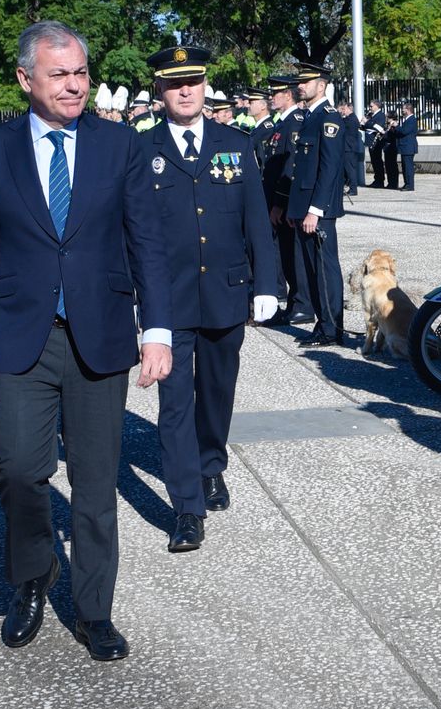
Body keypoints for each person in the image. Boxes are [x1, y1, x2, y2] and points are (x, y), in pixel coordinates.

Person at [0, 21, 173, 661]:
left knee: (96, 482)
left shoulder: (120, 145)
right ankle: (33, 574)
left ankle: (94, 610)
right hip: (19, 338)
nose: (75, 85)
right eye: (60, 74)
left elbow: (147, 242)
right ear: (26, 79)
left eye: (81, 72)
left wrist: (157, 330)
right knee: (19, 468)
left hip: (100, 336)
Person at [143, 45, 278, 551]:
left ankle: (210, 463)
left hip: (226, 291)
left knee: (217, 391)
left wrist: (268, 284)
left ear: (204, 86)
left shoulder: (235, 144)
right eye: (175, 83)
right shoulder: (142, 148)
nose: (185, 91)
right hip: (169, 300)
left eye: (193, 82)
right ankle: (186, 507)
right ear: (160, 89)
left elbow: (255, 220)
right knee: (175, 403)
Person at [287, 62, 346, 347]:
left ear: (321, 86)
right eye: (299, 82)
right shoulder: (310, 117)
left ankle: (331, 329)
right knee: (312, 269)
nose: (300, 86)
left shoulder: (328, 118)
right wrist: (295, 209)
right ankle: (322, 324)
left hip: (318, 211)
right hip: (305, 207)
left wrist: (315, 210)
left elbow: (329, 168)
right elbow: (302, 169)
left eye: (306, 82)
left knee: (324, 269)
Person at [264, 74, 312, 324]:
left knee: (294, 256)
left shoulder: (293, 123)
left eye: (276, 93)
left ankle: (303, 304)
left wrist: (280, 204)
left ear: (288, 95)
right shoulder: (283, 123)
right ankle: (295, 302)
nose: (271, 98)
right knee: (285, 254)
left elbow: (290, 168)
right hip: (278, 199)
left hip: (286, 202)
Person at [337, 101, 362, 197]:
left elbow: (341, 125)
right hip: (348, 147)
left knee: (350, 169)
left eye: (344, 109)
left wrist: (338, 114)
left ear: (349, 109)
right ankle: (347, 187)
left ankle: (353, 189)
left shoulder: (351, 119)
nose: (343, 111)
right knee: (347, 169)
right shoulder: (350, 118)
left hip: (349, 148)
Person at [394, 103, 418, 190]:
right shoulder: (407, 120)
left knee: (408, 167)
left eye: (403, 109)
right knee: (405, 167)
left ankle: (410, 185)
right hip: (405, 147)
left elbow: (405, 131)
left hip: (408, 147)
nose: (402, 111)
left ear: (408, 110)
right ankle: (406, 183)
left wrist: (397, 126)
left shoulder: (412, 119)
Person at [363, 100, 387, 187]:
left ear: (377, 106)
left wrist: (367, 122)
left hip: (376, 141)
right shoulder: (372, 115)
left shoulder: (380, 115)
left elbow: (378, 127)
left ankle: (380, 181)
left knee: (377, 161)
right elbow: (368, 126)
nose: (370, 108)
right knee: (374, 161)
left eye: (371, 106)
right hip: (370, 141)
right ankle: (377, 179)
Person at [382, 107, 401, 189]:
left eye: (387, 117)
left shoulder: (394, 126)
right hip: (387, 147)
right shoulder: (388, 126)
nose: (386, 119)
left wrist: (384, 133)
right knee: (388, 165)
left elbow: (392, 136)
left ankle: (393, 183)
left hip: (392, 147)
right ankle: (390, 182)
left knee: (392, 165)